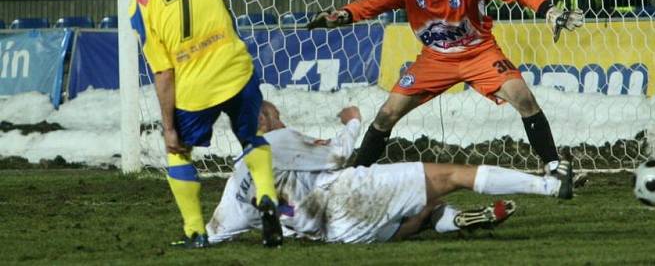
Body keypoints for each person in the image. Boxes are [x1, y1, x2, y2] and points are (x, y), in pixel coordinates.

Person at [307, 0, 584, 181]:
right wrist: (343, 15)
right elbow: (373, 4)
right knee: (387, 114)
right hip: (435, 59)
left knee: (523, 97)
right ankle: (356, 175)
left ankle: (552, 167)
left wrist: (547, 9)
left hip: (479, 53)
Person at [115, 0, 282, 249]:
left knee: (179, 153)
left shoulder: (140, 4)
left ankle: (195, 232)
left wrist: (168, 127)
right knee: (251, 136)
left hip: (194, 90)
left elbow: (162, 73)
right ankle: (266, 196)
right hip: (236, 73)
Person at [207, 102, 573, 245]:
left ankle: (456, 219)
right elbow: (340, 153)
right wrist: (351, 121)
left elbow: (221, 228)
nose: (280, 118)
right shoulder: (276, 139)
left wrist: (202, 236)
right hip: (348, 197)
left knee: (418, 218)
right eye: (275, 113)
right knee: (452, 175)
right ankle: (549, 185)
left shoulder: (239, 175)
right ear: (265, 119)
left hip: (335, 234)